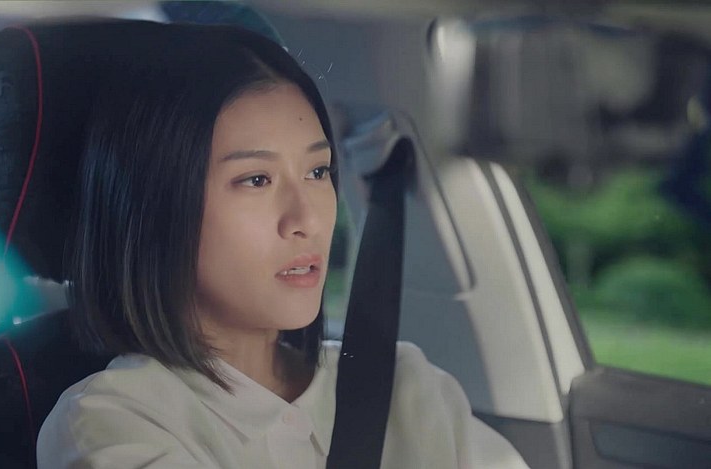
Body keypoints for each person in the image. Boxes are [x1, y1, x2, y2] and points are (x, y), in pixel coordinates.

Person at [37, 23, 528, 469]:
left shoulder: (408, 388)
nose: (307, 219)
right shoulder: (111, 423)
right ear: (155, 207)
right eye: (256, 179)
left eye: (317, 171)